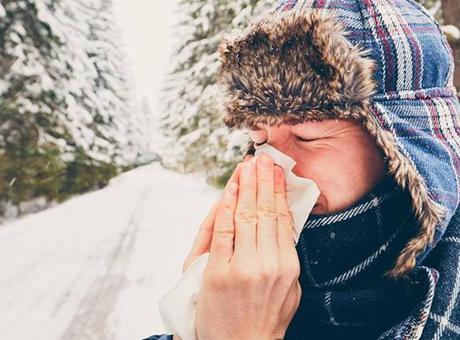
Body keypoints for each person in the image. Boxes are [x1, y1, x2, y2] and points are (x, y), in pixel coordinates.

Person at [144, 0, 460, 339]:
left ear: (403, 147)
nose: (271, 166)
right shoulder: (241, 284)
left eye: (307, 136)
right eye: (258, 136)